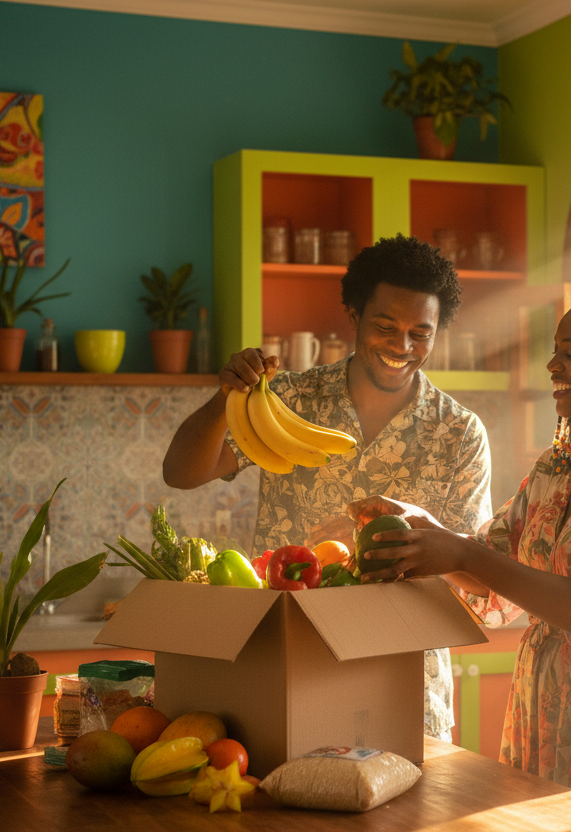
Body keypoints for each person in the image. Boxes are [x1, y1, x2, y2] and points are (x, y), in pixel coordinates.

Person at [349, 286, 571, 830]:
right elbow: (492, 569)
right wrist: (423, 531)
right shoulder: (556, 466)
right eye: (556, 349)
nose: (552, 364)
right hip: (541, 699)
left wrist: (460, 549)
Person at [162, 233, 493, 744]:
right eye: (385, 326)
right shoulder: (290, 399)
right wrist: (224, 398)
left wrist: (377, 540)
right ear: (354, 314)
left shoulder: (460, 432)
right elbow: (181, 472)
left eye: (419, 334)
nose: (401, 347)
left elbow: (472, 568)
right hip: (284, 662)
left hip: (405, 679)